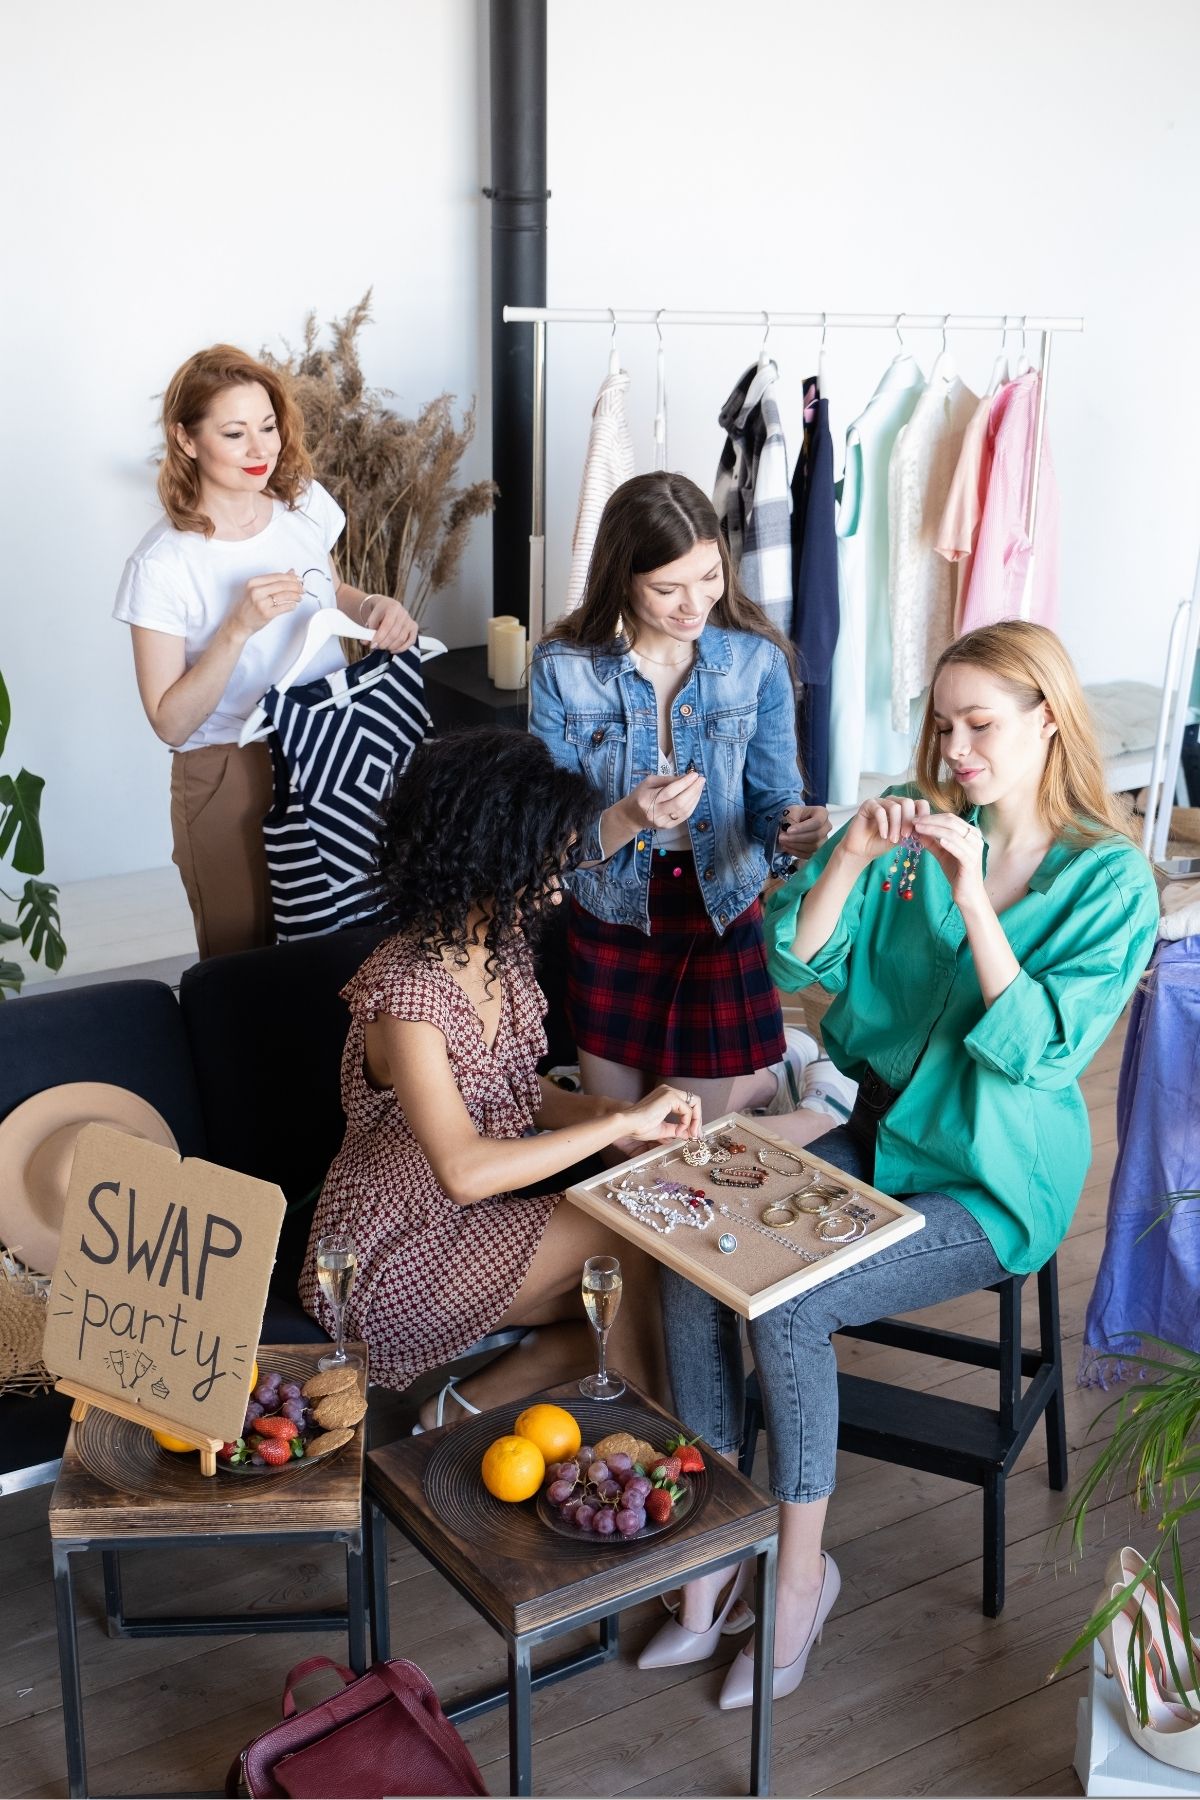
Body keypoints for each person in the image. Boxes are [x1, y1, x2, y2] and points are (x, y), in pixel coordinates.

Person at [648, 620, 1160, 1707]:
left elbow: (1041, 1051)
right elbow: (795, 955)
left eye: (980, 724)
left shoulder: (1108, 882)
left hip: (991, 1178)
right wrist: (850, 857)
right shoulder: (912, 824)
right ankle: (704, 1557)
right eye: (942, 723)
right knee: (685, 1250)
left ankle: (798, 1581)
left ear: (1049, 722)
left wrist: (975, 896)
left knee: (787, 1303)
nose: (955, 746)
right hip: (882, 1132)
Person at [299, 729, 701, 1423]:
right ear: (490, 859)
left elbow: (517, 1091)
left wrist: (620, 1122)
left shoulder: (496, 945)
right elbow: (462, 1169)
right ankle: (664, 1441)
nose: (557, 880)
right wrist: (619, 1123)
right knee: (627, 1242)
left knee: (623, 1303)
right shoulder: (410, 993)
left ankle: (456, 1412)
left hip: (462, 1230)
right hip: (387, 1260)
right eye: (543, 859)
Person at [529, 470, 833, 1134]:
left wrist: (791, 830)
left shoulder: (759, 663)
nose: (695, 604)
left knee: (676, 1144)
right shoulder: (562, 667)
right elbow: (550, 840)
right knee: (614, 1143)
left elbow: (774, 801)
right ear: (622, 577)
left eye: (709, 577)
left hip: (718, 913)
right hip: (613, 910)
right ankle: (761, 1081)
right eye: (668, 588)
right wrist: (630, 815)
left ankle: (774, 1084)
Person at [114, 344, 418, 959]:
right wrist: (236, 628)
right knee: (244, 967)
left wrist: (370, 609)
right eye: (234, 432)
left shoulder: (300, 502)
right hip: (230, 769)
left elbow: (329, 587)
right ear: (186, 439)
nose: (261, 449)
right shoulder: (162, 564)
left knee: (357, 941)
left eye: (269, 426)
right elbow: (170, 722)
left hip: (336, 746)